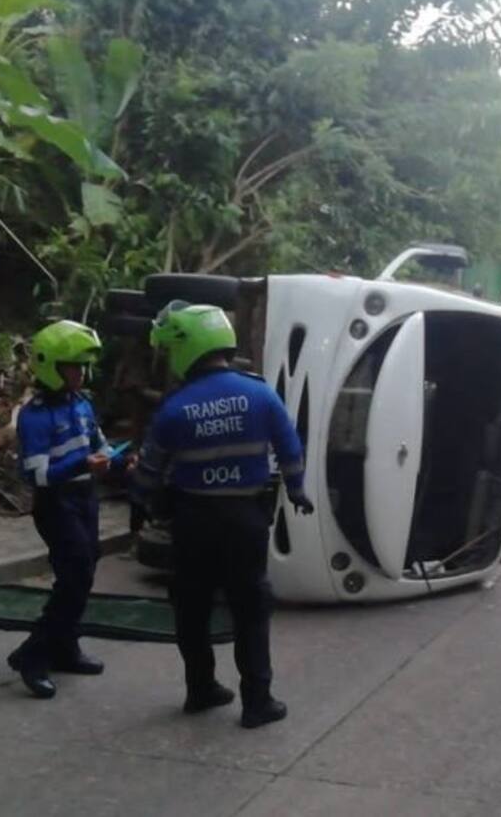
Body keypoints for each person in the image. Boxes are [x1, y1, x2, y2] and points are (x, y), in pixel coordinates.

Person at [132, 302, 314, 729]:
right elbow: (290, 450)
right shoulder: (260, 394)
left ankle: (201, 688)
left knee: (192, 608)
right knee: (251, 608)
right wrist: (298, 490)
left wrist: (138, 506)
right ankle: (257, 701)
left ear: (186, 348)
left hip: (193, 522)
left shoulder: (175, 408)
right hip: (245, 519)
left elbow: (149, 470)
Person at [8, 320, 114, 699]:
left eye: (84, 366)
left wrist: (115, 459)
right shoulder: (34, 416)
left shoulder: (82, 403)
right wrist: (84, 464)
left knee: (85, 570)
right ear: (50, 367)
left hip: (85, 498)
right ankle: (32, 655)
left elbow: (98, 443)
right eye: (73, 366)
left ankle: (66, 647)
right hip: (57, 503)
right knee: (74, 577)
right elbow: (37, 474)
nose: (81, 373)